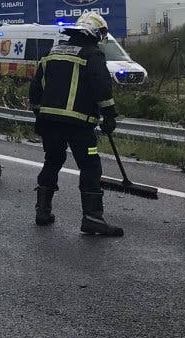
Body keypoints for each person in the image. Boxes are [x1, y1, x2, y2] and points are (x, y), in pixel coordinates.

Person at [30, 12, 123, 236]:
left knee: (52, 160)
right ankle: (92, 218)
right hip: (78, 125)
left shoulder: (50, 53)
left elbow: (35, 88)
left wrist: (38, 114)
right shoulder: (93, 55)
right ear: (95, 33)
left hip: (49, 122)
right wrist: (109, 115)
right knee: (90, 166)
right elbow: (101, 86)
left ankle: (42, 211)